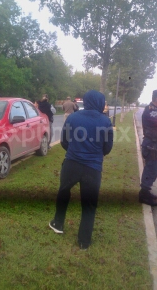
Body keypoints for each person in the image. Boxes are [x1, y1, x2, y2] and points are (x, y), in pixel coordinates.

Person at [49, 90, 113, 249]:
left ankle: (58, 223)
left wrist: (75, 150)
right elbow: (107, 147)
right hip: (93, 168)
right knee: (89, 204)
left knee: (63, 191)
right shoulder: (106, 122)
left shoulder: (73, 117)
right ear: (99, 102)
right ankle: (84, 241)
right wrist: (95, 154)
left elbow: (64, 141)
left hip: (72, 163)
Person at [139, 89, 157, 206]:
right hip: (151, 145)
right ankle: (143, 195)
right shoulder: (151, 111)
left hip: (153, 144)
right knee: (151, 168)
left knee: (153, 169)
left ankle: (146, 191)